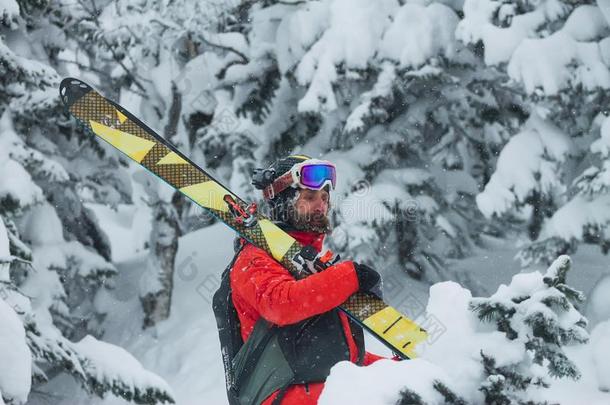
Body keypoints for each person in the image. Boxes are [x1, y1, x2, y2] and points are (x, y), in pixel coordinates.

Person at [213, 155, 386, 405]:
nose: (320, 206)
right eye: (309, 198)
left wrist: (398, 372)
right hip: (284, 395)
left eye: (324, 198)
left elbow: (348, 360)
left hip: (328, 393)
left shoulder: (315, 272)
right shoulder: (253, 258)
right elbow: (281, 304)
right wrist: (351, 276)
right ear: (284, 203)